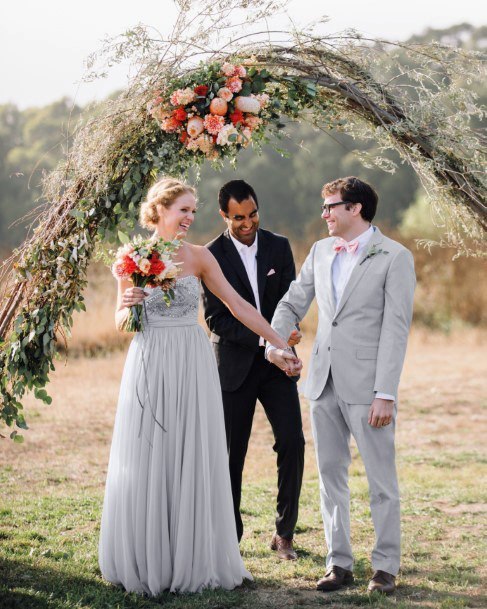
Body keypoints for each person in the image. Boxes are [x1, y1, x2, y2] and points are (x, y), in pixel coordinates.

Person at [98, 177, 300, 596]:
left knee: (191, 453)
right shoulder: (131, 256)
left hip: (191, 362)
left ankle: (193, 554)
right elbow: (119, 322)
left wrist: (277, 341)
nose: (191, 217)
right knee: (152, 454)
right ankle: (149, 554)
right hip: (151, 360)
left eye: (194, 210)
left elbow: (238, 306)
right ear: (160, 211)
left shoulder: (201, 257)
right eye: (184, 210)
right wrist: (129, 306)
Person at [267, 176, 415, 595]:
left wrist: (385, 391)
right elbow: (292, 302)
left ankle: (385, 566)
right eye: (323, 207)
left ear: (356, 208)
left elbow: (396, 330)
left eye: (331, 206)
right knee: (330, 476)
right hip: (322, 382)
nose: (325, 214)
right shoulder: (320, 250)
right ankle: (339, 563)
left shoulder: (395, 257)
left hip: (370, 388)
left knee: (381, 481)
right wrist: (277, 343)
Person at [201, 180, 305, 560]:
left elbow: (288, 303)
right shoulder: (211, 255)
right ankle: (231, 539)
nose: (248, 223)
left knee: (292, 442)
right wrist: (269, 344)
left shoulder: (279, 245)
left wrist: (290, 336)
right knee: (232, 454)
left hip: (278, 366)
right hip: (235, 366)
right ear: (224, 216)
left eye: (253, 213)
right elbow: (217, 321)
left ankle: (285, 533)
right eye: (239, 217)